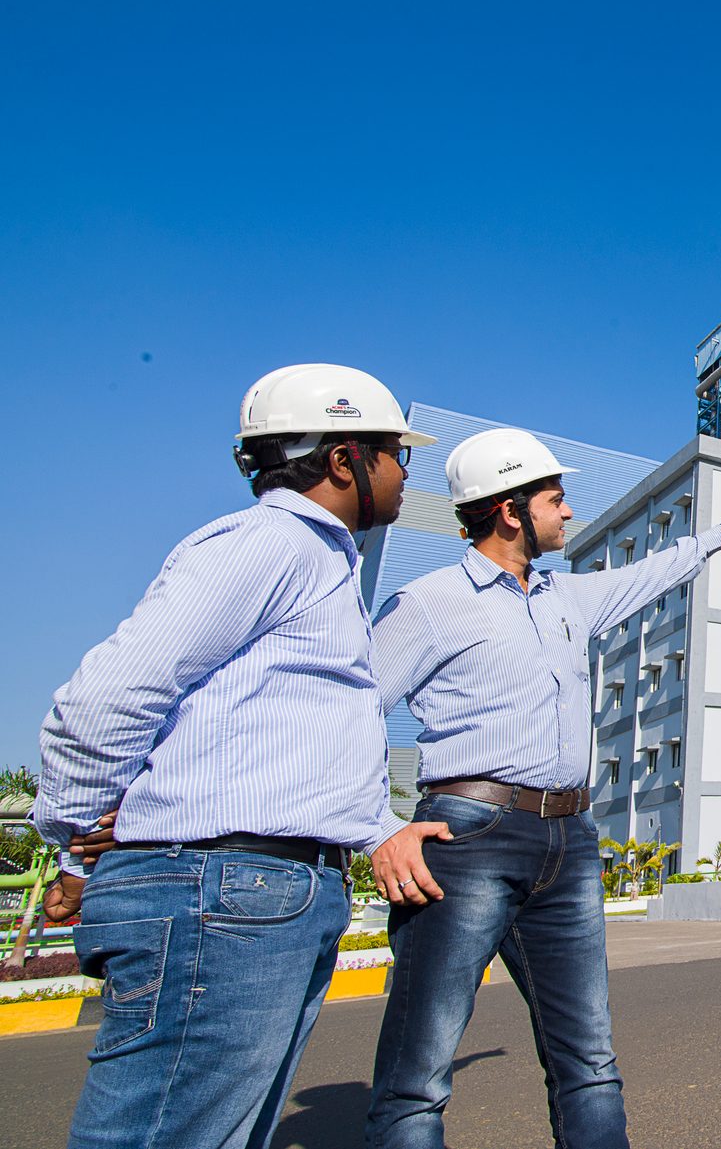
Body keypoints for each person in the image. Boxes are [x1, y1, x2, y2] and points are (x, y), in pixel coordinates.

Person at [33, 363, 451, 1149]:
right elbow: (106, 698)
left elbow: (288, 742)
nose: (404, 471)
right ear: (342, 459)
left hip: (258, 890)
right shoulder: (270, 544)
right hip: (222, 894)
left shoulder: (321, 565)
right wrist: (76, 834)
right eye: (397, 452)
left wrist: (376, 827)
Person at [364, 428, 721, 1149]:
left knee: (589, 1061)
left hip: (569, 841)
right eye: (556, 498)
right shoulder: (428, 603)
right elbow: (347, 711)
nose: (569, 512)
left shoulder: (565, 597)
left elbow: (650, 572)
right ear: (510, 510)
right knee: (418, 1079)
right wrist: (377, 825)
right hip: (467, 836)